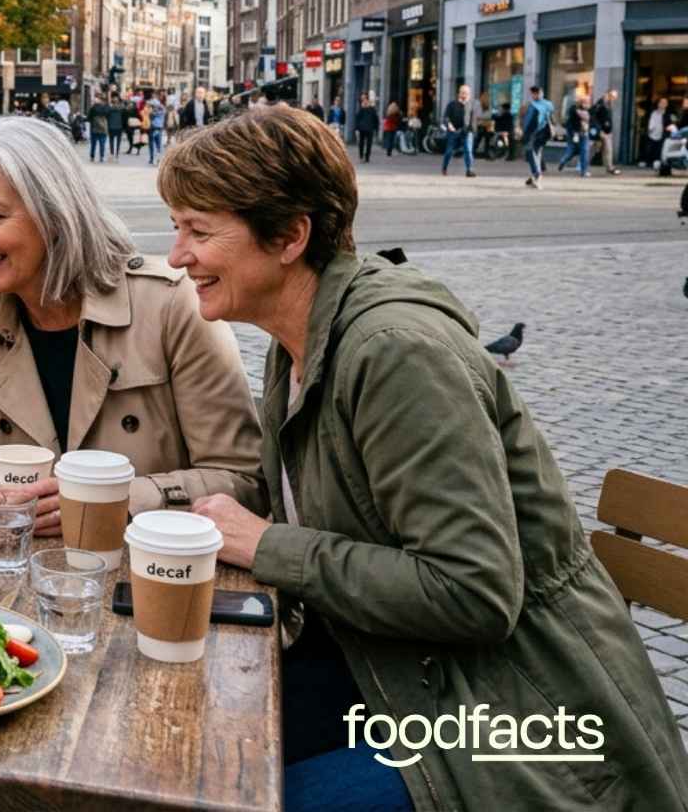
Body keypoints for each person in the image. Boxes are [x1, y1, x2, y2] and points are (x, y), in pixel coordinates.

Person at [160, 106, 688, 812]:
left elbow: (473, 592)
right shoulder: (300, 340)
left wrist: (270, 546)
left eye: (198, 231)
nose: (175, 256)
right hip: (395, 666)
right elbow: (291, 494)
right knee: (179, 743)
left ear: (290, 236)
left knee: (226, 791)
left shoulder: (394, 352)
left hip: (515, 710)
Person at [0, 118, 262, 534]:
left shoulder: (169, 304)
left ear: (55, 213)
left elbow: (244, 482)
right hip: (34, 575)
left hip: (150, 573)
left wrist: (110, 499)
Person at [520, 84, 554, 189]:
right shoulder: (534, 105)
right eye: (535, 93)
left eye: (537, 93)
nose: (536, 95)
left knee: (532, 153)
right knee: (535, 153)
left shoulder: (541, 105)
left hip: (538, 133)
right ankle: (535, 176)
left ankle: (537, 174)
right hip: (536, 133)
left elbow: (548, 118)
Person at [440, 84, 476, 177]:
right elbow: (446, 117)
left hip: (466, 132)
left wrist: (471, 130)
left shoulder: (471, 105)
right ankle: (444, 168)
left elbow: (473, 120)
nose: (464, 95)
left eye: (466, 93)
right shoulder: (452, 104)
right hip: (453, 131)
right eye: (462, 93)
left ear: (469, 94)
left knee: (468, 150)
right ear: (459, 93)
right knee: (449, 151)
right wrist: (449, 124)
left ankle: (469, 170)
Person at [558, 89, 594, 177]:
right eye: (586, 102)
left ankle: (564, 160)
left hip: (575, 133)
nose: (588, 104)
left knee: (573, 150)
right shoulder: (576, 109)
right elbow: (587, 118)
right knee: (583, 152)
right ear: (582, 102)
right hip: (579, 133)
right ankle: (583, 171)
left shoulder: (573, 109)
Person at [594, 89, 621, 175]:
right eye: (612, 96)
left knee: (607, 149)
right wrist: (599, 130)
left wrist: (610, 130)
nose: (613, 98)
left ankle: (610, 167)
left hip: (607, 132)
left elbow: (608, 119)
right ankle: (582, 165)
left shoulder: (608, 104)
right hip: (601, 131)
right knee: (595, 149)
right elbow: (594, 117)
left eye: (615, 97)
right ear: (607, 94)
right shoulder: (600, 104)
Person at [351, 93, 378, 163]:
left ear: (368, 101)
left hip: (369, 129)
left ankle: (367, 157)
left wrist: (376, 128)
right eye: (363, 100)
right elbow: (357, 119)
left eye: (366, 100)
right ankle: (361, 156)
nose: (365, 102)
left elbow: (375, 119)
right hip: (362, 129)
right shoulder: (361, 109)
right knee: (361, 143)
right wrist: (356, 128)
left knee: (369, 144)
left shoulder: (372, 109)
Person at [86, 96, 109, 162]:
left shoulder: (93, 108)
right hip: (103, 129)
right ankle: (101, 157)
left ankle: (92, 157)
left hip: (94, 129)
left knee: (93, 144)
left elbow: (88, 118)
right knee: (102, 144)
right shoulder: (105, 108)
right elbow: (108, 115)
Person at [145, 95, 166, 163]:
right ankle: (158, 158)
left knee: (151, 144)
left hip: (152, 128)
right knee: (158, 145)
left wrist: (151, 109)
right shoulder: (162, 111)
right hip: (159, 129)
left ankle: (151, 158)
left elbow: (149, 115)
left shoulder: (152, 112)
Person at [106, 93, 127, 160]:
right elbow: (125, 116)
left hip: (111, 127)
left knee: (111, 141)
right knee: (118, 141)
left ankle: (112, 153)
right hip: (119, 127)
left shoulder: (109, 108)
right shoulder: (121, 108)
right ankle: (117, 153)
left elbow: (107, 117)